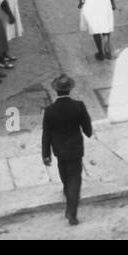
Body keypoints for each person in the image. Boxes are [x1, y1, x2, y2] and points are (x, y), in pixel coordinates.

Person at [42, 74, 93, 226]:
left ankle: (67, 193)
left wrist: (46, 155)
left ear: (55, 91)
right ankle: (72, 212)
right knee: (75, 179)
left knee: (64, 174)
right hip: (75, 148)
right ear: (70, 89)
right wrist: (87, 130)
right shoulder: (79, 106)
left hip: (59, 150)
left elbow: (46, 134)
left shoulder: (49, 110)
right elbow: (88, 130)